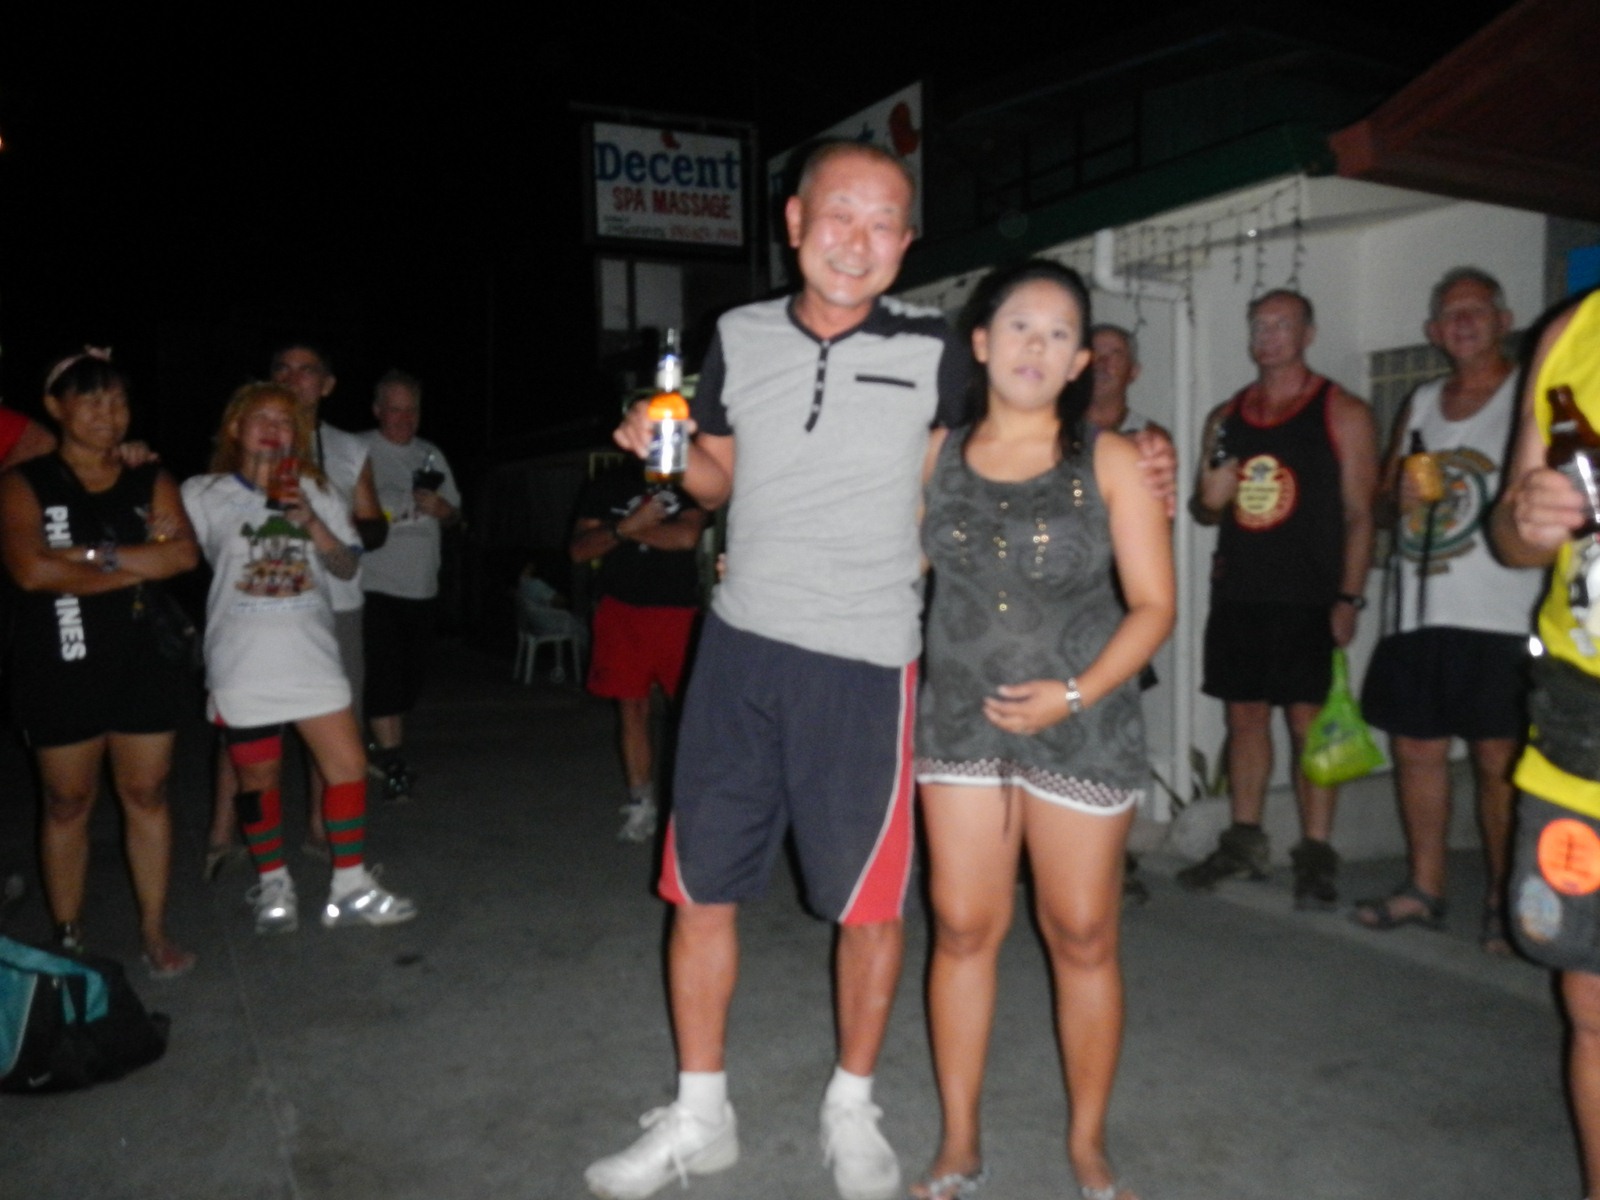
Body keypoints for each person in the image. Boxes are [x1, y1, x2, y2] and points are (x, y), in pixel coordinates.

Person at [913, 261, 1173, 1200]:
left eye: (1061, 333)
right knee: (960, 930)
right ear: (981, 343)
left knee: (1083, 934)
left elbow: (1154, 606)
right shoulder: (931, 454)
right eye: (1020, 325)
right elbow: (888, 567)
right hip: (959, 724)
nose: (1038, 345)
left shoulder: (1112, 459)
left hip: (1084, 723)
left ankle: (1089, 1146)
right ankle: (958, 1143)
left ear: (1078, 364)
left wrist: (1073, 693)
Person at [183, 382, 416, 935]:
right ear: (235, 428)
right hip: (241, 662)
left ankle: (349, 885)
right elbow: (168, 548)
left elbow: (347, 568)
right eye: (260, 417)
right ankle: (273, 882)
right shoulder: (201, 492)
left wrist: (311, 520)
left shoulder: (318, 490)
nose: (273, 428)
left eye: (284, 420)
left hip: (311, 655)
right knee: (256, 780)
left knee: (348, 766)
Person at [1354, 268, 1540, 951]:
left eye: (1475, 310)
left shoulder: (1530, 395)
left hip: (1502, 611)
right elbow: (1379, 503)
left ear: (1504, 320)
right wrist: (1394, 498)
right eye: (1449, 314)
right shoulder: (1424, 401)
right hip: (1418, 609)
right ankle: (1425, 888)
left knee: (1498, 759)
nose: (1462, 323)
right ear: (1432, 331)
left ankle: (1502, 901)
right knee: (1416, 751)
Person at [0, 350, 199, 978]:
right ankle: (69, 933)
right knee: (66, 801)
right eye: (90, 401)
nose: (107, 415)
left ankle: (154, 929)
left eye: (117, 402)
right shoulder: (23, 483)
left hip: (144, 661)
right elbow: (31, 571)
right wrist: (137, 560)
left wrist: (84, 559)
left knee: (147, 793)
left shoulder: (148, 476)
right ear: (55, 408)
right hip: (60, 663)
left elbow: (183, 556)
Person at [1180, 289, 1378, 908]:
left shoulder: (1341, 410)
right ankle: (1244, 843)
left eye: (1282, 325)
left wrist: (1349, 598)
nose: (1268, 336)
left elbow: (1362, 514)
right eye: (1259, 326)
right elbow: (1207, 509)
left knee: (1306, 723)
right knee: (1243, 718)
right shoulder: (1226, 416)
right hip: (1240, 590)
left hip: (1309, 594)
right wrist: (1209, 497)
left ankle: (1315, 853)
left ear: (1308, 334)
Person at [1489, 286, 1600, 1199]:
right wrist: (1526, 520)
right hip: (1580, 719)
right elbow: (1512, 536)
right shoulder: (1572, 332)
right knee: (1590, 1000)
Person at [203, 342, 388, 871]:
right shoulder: (221, 477)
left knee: (332, 735)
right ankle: (225, 834)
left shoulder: (348, 449)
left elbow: (371, 529)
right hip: (252, 622)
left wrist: (327, 523)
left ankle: (321, 834)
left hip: (334, 607)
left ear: (326, 385)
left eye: (307, 371)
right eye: (282, 368)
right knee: (248, 740)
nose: (293, 377)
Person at [570, 454, 706, 842]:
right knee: (631, 708)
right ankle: (641, 803)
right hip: (621, 610)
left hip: (677, 611)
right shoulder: (607, 484)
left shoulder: (689, 478)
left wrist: (622, 531)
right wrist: (629, 526)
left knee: (690, 711)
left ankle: (693, 807)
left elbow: (686, 537)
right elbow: (580, 549)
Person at [358, 370, 461, 802]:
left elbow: (455, 514)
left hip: (422, 586)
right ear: (377, 410)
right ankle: (394, 762)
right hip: (374, 584)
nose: (404, 418)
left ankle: (378, 741)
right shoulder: (358, 450)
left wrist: (442, 510)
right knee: (383, 675)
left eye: (411, 410)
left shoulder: (430, 453)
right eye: (395, 409)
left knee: (409, 680)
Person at [1087, 324, 1155, 436]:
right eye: (1094, 353)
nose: (1101, 363)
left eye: (1115, 356)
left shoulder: (1150, 438)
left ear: (1133, 372)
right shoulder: (1058, 430)